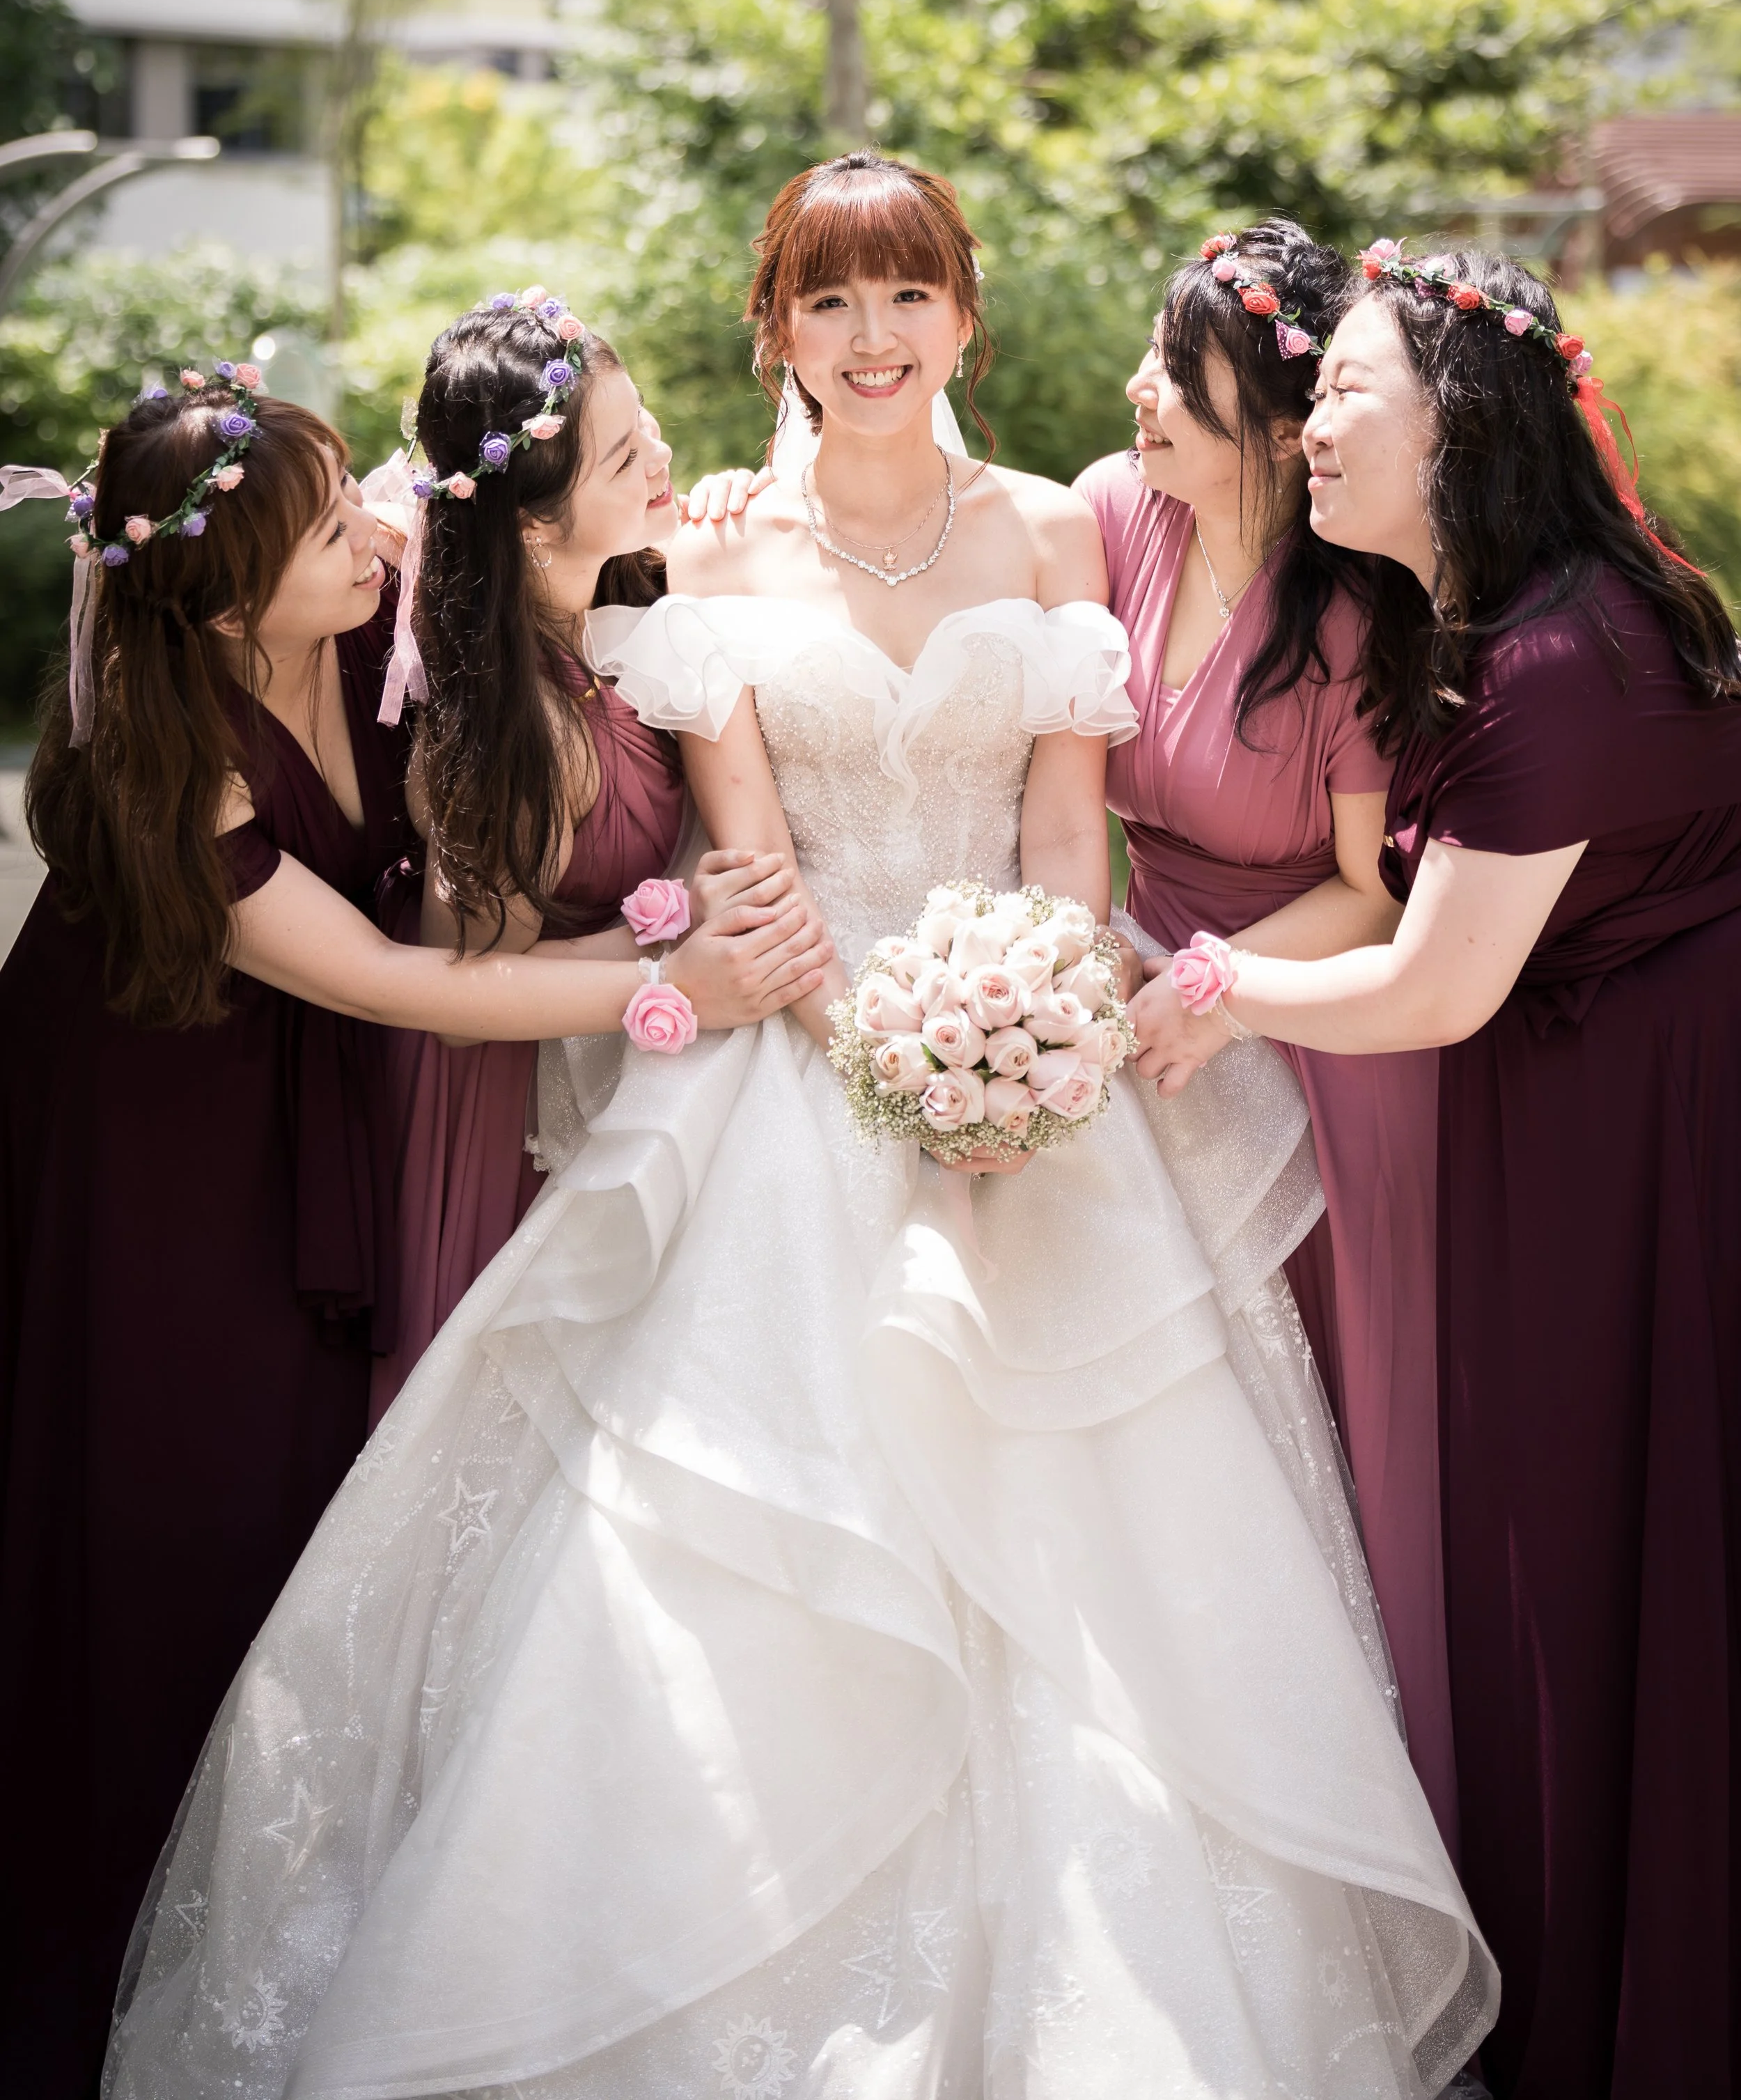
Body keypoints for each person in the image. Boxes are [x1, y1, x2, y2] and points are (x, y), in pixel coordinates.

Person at [108, 158, 1492, 2100]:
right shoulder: (714, 564)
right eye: (828, 304)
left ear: (963, 313)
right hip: (800, 1047)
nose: (869, 339)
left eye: (905, 295)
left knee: (1117, 1549)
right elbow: (749, 862)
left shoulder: (1051, 532)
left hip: (1034, 1035)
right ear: (774, 329)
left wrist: (1018, 1041)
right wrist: (902, 1072)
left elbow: (1055, 822)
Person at [0, 375, 828, 2100]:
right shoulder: (160, 768)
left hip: (331, 1084)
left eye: (344, 504)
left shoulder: (365, 588)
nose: (362, 535)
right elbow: (386, 976)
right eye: (322, 533)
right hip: (154, 1141)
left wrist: (688, 519)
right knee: (165, 1515)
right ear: (230, 601)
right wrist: (672, 992)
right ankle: (101, 1953)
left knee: (313, 1491)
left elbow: (503, 523)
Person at [1129, 242, 1741, 2098]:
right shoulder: (1501, 614)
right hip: (1571, 1096)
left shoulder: (1554, 662)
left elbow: (1431, 981)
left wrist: (1221, 990)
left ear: (1456, 419)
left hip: (1633, 1118)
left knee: (1596, 1534)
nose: (1309, 426)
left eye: (1344, 396)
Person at [1074, 219, 1455, 1849]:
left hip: (1305, 1016)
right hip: (1121, 983)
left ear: (1273, 413)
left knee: (1313, 1414)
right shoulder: (1105, 512)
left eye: (1180, 373)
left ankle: (1351, 1788)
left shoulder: (1351, 605)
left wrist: (1212, 993)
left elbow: (1369, 894)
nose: (1141, 395)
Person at [366, 290, 802, 1411]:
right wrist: (660, 960)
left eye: (647, 418)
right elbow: (463, 989)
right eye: (625, 457)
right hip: (503, 1102)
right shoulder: (514, 730)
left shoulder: (623, 600)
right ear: (533, 523)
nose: (661, 452)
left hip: (614, 1067)